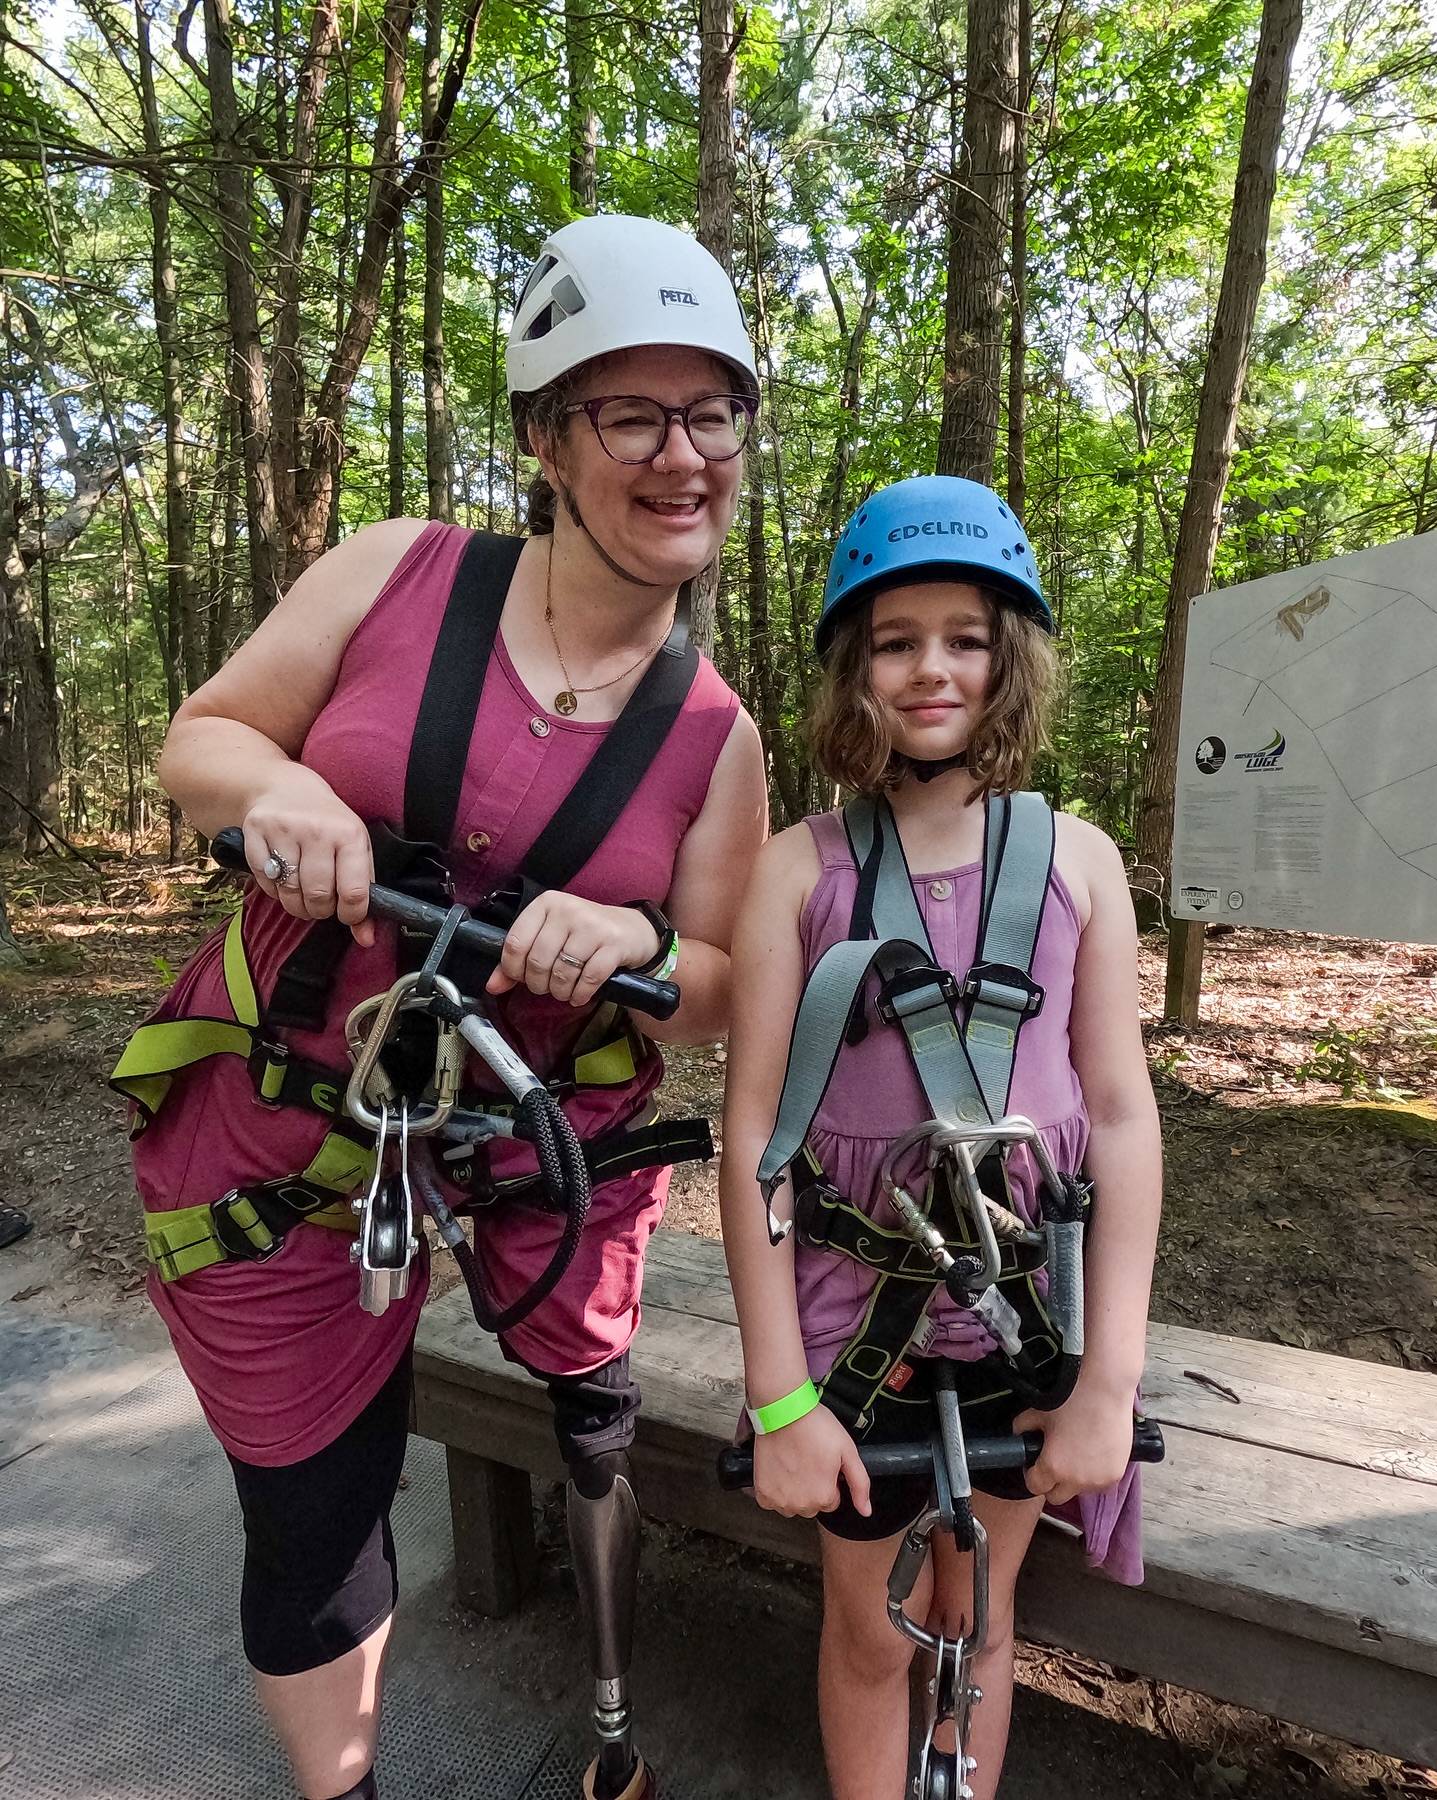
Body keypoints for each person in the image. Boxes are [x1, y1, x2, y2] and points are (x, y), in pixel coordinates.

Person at [110, 215, 768, 1800]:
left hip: (545, 1138)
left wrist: (624, 934)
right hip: (287, 1144)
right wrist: (278, 788)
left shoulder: (714, 735)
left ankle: (609, 1690)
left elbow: (724, 981)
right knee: (313, 1513)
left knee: (590, 1386)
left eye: (713, 414)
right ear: (546, 436)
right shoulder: (398, 573)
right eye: (633, 414)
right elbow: (200, 739)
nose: (684, 456)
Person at [719, 475, 1161, 1800]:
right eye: (898, 640)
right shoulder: (799, 870)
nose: (932, 669)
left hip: (1033, 1319)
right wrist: (781, 1397)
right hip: (855, 1330)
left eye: (965, 638)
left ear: (1007, 656)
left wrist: (1110, 1383)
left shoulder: (1079, 862)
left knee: (978, 1615)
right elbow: (754, 1137)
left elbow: (1124, 1115)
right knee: (868, 1629)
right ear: (857, 670)